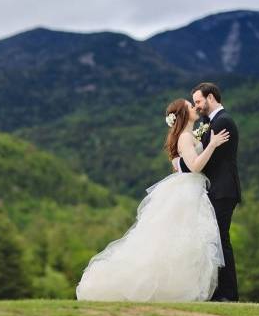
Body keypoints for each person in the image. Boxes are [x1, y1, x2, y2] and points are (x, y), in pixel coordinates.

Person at [76, 98, 230, 302]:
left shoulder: (188, 135)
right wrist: (211, 145)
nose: (195, 108)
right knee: (181, 239)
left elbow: (182, 164)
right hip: (187, 193)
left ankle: (179, 286)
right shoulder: (184, 137)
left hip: (190, 189)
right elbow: (194, 166)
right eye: (190, 106)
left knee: (185, 241)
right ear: (184, 114)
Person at [175, 82, 241, 302]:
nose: (197, 106)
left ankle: (228, 295)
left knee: (221, 240)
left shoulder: (223, 122)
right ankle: (216, 292)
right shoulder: (208, 122)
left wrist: (182, 165)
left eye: (199, 101)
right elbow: (198, 157)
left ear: (211, 97)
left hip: (223, 190)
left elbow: (207, 162)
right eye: (195, 103)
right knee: (214, 241)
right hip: (214, 190)